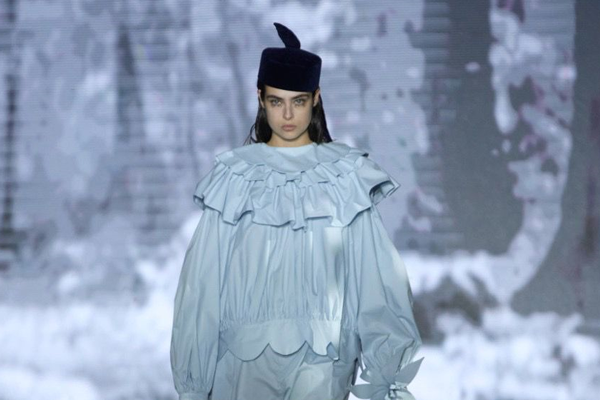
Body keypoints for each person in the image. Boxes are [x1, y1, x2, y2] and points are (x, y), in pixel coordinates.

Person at [170, 22, 424, 400]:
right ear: (260, 98)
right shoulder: (235, 179)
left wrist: (389, 372)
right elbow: (204, 283)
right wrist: (193, 383)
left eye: (298, 101)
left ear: (315, 98)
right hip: (241, 361)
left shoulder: (344, 179)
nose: (287, 114)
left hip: (323, 359)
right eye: (277, 101)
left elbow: (375, 278)